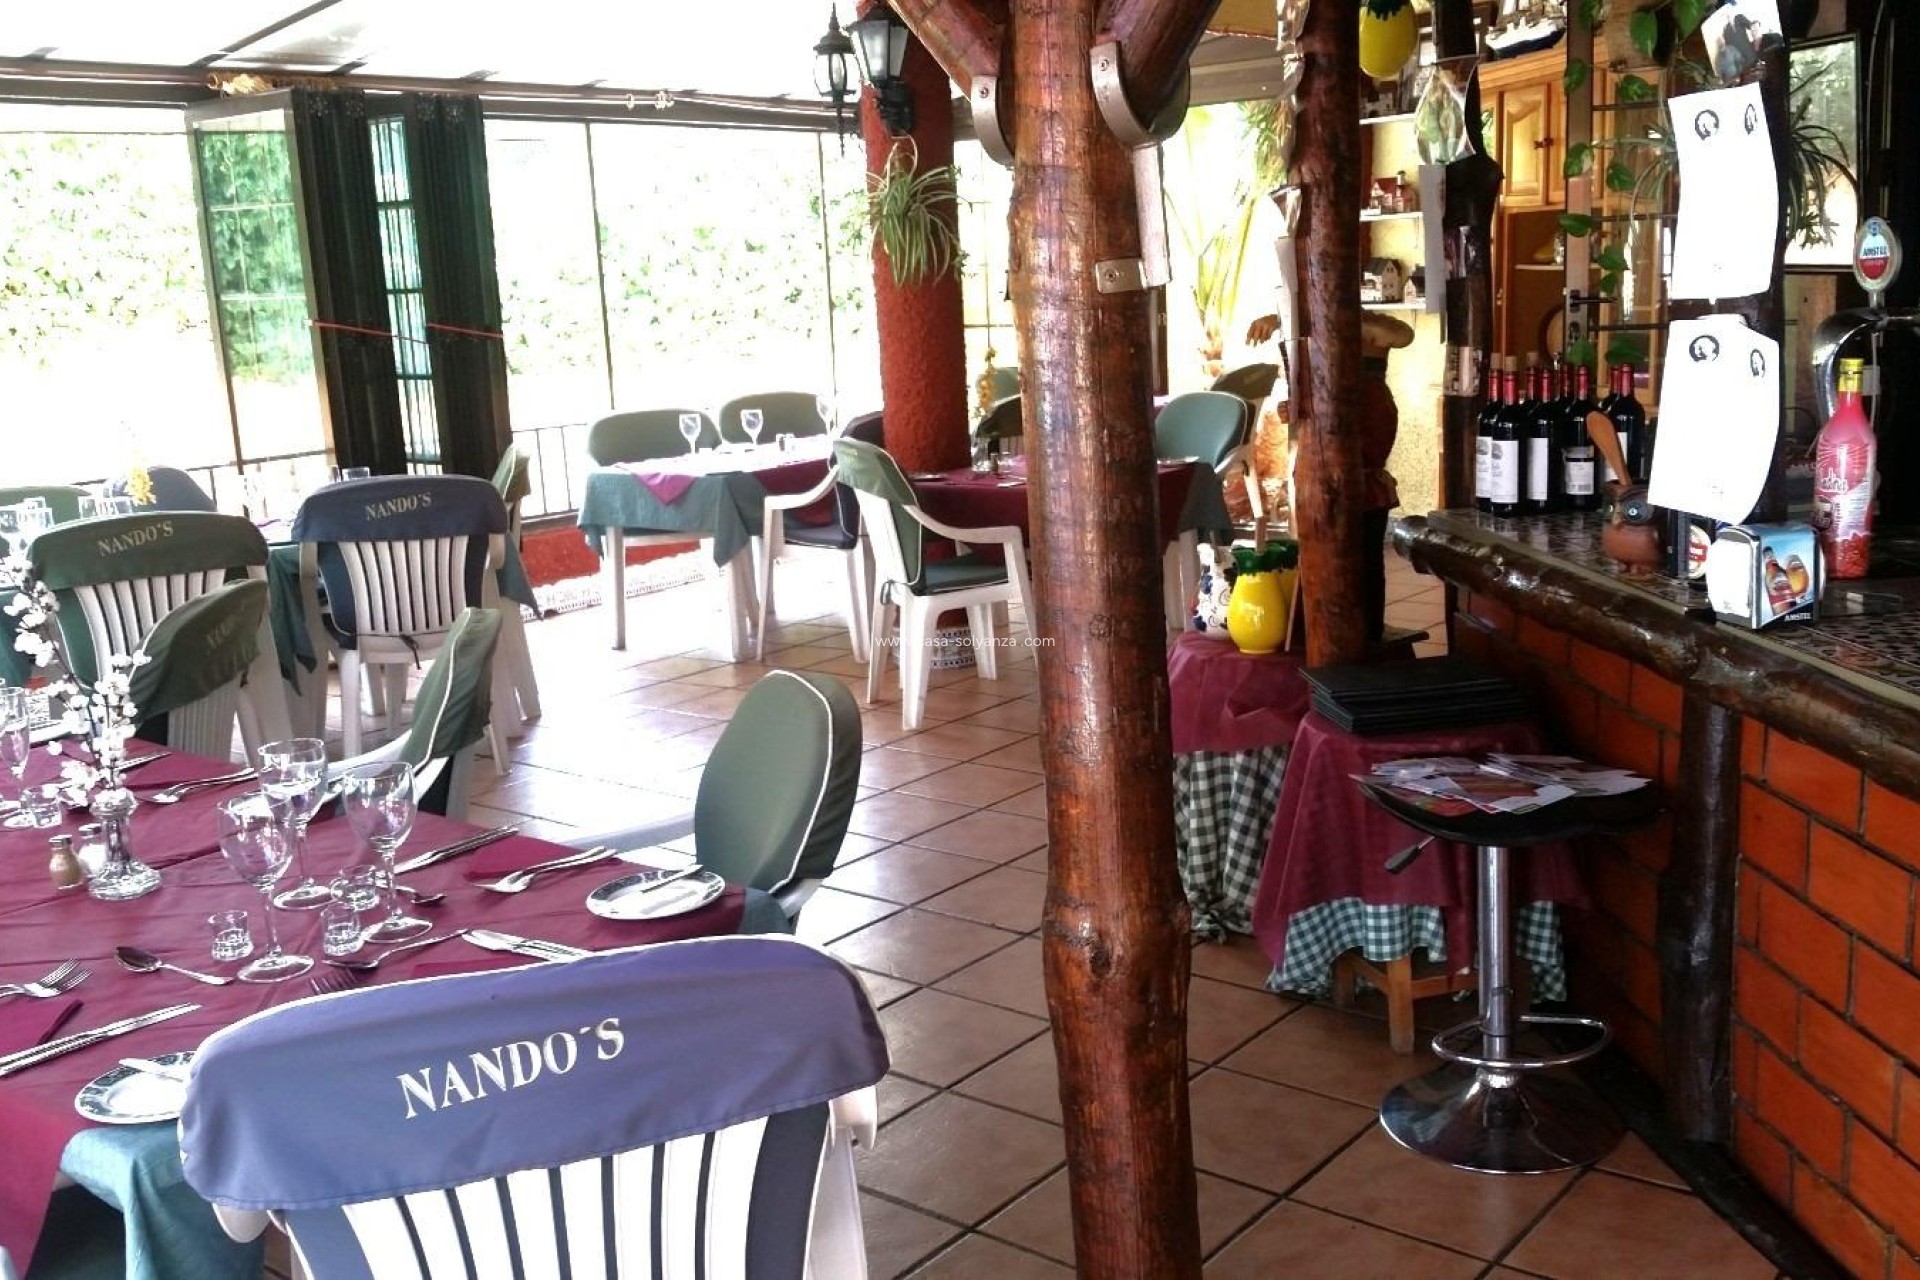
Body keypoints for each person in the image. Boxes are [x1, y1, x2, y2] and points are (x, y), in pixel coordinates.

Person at [1243, 309, 1415, 644]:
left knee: (1364, 552)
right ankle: (1319, 628)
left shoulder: (1370, 326)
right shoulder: (1296, 323)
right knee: (1321, 548)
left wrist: (1331, 318)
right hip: (1319, 450)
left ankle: (1367, 633)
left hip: (1362, 440)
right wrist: (1294, 406)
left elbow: (1402, 335)